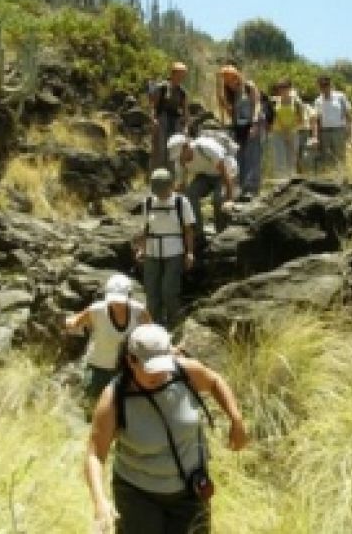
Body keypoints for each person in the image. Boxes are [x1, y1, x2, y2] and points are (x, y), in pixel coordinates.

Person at [85, 323, 247, 534]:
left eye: (163, 365)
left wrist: (236, 419)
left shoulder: (185, 372)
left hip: (191, 490)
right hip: (138, 497)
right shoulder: (115, 398)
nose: (160, 374)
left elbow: (214, 381)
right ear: (131, 360)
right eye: (151, 368)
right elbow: (95, 454)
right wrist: (100, 501)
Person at [62, 273, 151, 406]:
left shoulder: (139, 311)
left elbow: (151, 333)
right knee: (91, 405)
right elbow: (75, 322)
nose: (117, 304)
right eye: (114, 300)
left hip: (126, 368)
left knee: (122, 406)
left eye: (121, 301)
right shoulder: (96, 310)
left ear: (129, 296)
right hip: (98, 367)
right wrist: (68, 323)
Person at [135, 168, 196, 328]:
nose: (161, 193)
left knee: (169, 291)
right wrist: (141, 249)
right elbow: (145, 228)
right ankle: (154, 326)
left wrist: (189, 253)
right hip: (152, 251)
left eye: (163, 189)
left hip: (174, 251)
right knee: (151, 292)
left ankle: (175, 325)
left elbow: (188, 230)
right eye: (158, 190)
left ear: (171, 185)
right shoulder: (148, 202)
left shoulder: (181, 202)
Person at [167, 133, 236, 245]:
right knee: (191, 194)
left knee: (219, 199)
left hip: (225, 173)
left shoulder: (205, 148)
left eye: (180, 154)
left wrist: (229, 199)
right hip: (205, 175)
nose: (180, 158)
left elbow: (225, 172)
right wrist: (166, 197)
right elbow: (181, 186)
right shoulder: (179, 162)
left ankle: (222, 234)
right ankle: (198, 235)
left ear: (186, 146)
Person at [218, 65, 261, 198]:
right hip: (238, 127)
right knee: (239, 157)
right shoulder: (231, 93)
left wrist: (255, 123)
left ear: (236, 76)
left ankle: (251, 188)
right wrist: (224, 104)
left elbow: (257, 104)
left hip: (252, 125)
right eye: (226, 79)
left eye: (230, 77)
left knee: (252, 156)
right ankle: (241, 188)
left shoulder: (248, 86)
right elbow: (232, 114)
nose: (229, 81)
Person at [149, 62, 191, 172]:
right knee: (160, 149)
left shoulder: (182, 92)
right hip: (161, 120)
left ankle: (170, 177)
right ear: (173, 74)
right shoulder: (161, 87)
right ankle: (157, 175)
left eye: (183, 75)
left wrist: (186, 127)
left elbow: (185, 112)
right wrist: (153, 119)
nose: (181, 78)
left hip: (175, 122)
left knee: (173, 149)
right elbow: (154, 106)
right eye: (179, 74)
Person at [312, 75, 352, 172]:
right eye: (321, 85)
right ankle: (330, 178)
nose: (324, 87)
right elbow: (315, 120)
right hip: (324, 132)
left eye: (326, 84)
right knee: (327, 158)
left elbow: (349, 115)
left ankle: (342, 177)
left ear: (330, 84)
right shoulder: (318, 101)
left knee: (340, 157)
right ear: (318, 86)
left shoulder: (340, 97)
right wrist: (315, 137)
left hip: (339, 131)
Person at [269, 79, 305, 178]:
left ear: (290, 88)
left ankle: (291, 181)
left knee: (291, 159)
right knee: (279, 158)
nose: (282, 90)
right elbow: (271, 117)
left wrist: (291, 130)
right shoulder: (274, 101)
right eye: (280, 87)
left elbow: (301, 120)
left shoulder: (297, 102)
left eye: (285, 87)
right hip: (277, 133)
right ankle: (280, 181)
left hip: (292, 133)